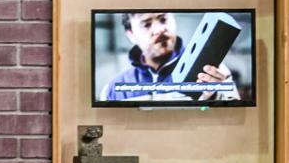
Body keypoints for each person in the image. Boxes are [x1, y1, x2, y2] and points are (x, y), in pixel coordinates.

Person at [100, 10, 244, 104]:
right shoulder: (112, 89)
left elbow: (231, 117)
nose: (159, 29)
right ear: (130, 34)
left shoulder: (212, 70)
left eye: (163, 19)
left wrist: (212, 96)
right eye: (146, 24)